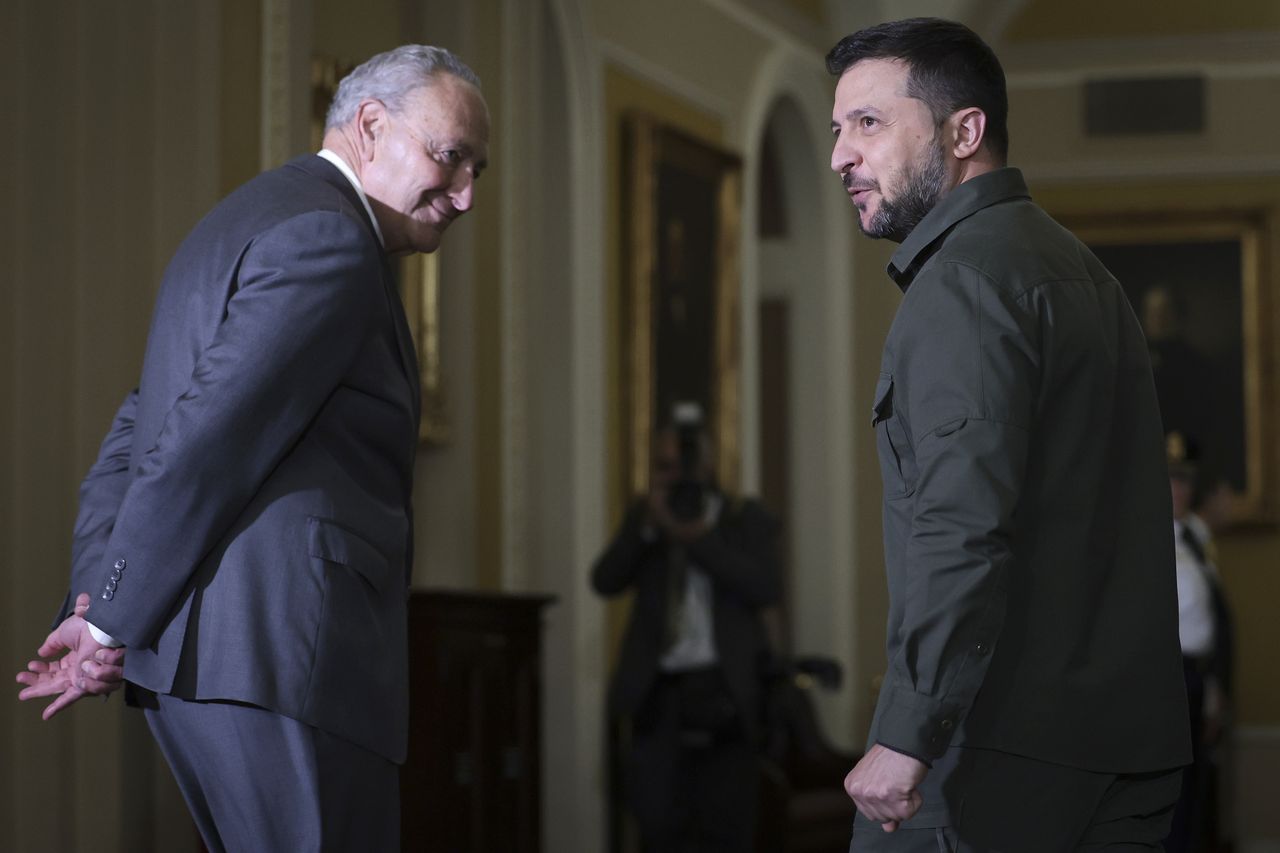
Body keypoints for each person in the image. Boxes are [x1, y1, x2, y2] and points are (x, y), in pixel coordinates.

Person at [15, 45, 489, 852]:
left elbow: (138, 430)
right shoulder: (332, 242)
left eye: (479, 168)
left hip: (211, 666)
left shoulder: (238, 220)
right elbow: (203, 441)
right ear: (371, 125)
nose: (468, 194)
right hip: (287, 663)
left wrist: (100, 600)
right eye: (451, 157)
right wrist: (104, 627)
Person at [827, 18, 1191, 850]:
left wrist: (907, 728)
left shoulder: (960, 282)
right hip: (1127, 755)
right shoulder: (1085, 274)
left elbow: (963, 519)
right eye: (838, 129)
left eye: (870, 123)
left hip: (988, 759)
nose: (843, 154)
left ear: (965, 130)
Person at [592, 408, 781, 852]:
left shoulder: (741, 517)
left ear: (708, 464)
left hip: (725, 696)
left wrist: (697, 537)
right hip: (659, 696)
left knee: (725, 829)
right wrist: (648, 527)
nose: (675, 475)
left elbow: (765, 585)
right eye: (664, 466)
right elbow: (605, 580)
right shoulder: (646, 519)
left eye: (683, 465)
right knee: (657, 827)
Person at [1166, 433, 1236, 853]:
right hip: (1168, 678)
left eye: (1185, 481)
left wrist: (1214, 688)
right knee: (1176, 797)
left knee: (1196, 798)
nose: (1181, 490)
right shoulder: (1150, 537)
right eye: (1171, 481)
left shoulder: (1191, 538)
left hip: (1195, 675)